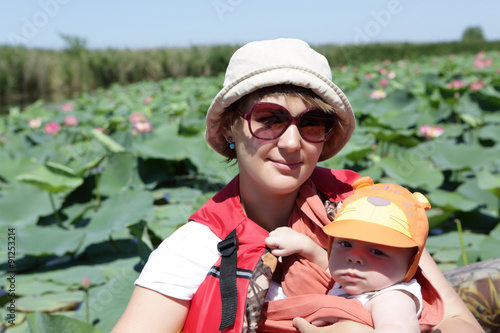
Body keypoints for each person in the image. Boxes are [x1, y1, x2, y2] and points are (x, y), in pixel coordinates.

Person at [112, 38, 483, 333]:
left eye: (311, 123)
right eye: (269, 119)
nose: (291, 142)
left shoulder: (369, 211)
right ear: (229, 129)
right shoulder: (191, 252)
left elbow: (458, 322)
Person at [266, 177, 433, 332]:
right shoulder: (361, 278)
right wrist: (305, 245)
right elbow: (327, 266)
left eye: (377, 251)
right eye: (345, 244)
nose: (353, 257)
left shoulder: (392, 299)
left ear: (410, 263)